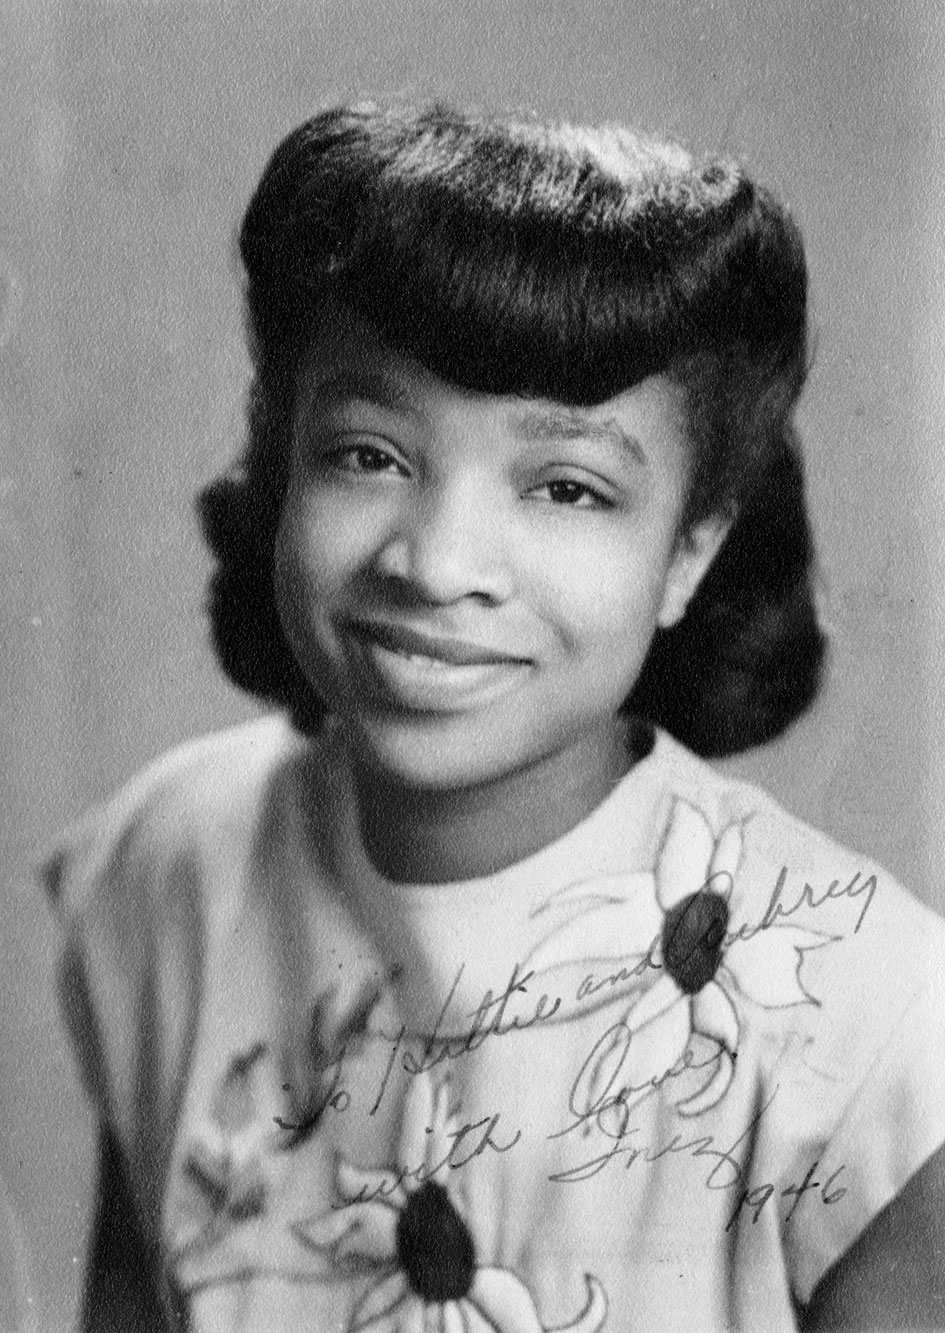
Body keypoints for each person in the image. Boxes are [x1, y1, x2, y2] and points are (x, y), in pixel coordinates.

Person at [44, 102, 945, 1332]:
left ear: (691, 547)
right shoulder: (175, 863)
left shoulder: (882, 1029)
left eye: (567, 486)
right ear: (283, 459)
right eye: (369, 454)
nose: (437, 562)